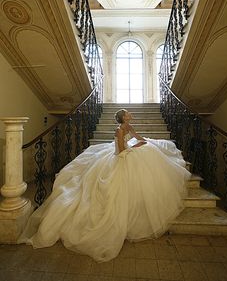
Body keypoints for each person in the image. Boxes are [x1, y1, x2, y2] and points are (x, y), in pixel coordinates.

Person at [18, 108, 191, 262]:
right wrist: (135, 147)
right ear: (123, 118)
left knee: (151, 151)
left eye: (129, 113)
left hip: (129, 151)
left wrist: (140, 144)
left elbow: (140, 139)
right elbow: (122, 150)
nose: (130, 114)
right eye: (128, 113)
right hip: (120, 157)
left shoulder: (129, 127)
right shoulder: (119, 130)